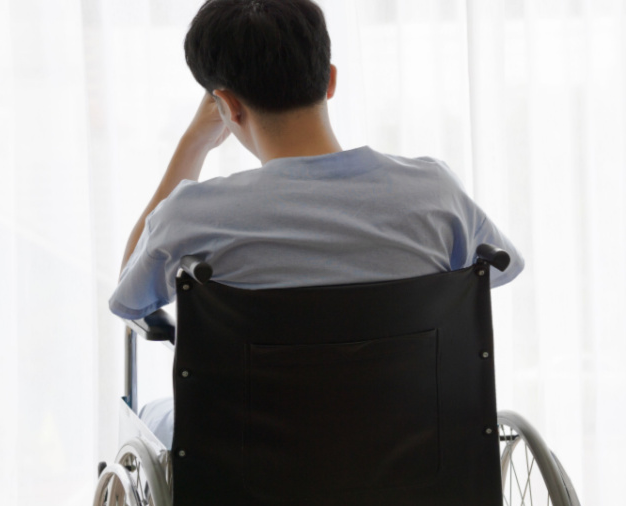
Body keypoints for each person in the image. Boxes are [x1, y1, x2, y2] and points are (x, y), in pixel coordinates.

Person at [109, 0, 524, 448]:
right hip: (416, 450)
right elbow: (500, 269)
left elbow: (130, 299)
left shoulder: (193, 213)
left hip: (253, 468)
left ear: (225, 104)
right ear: (330, 80)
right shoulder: (434, 191)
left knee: (151, 416)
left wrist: (193, 143)